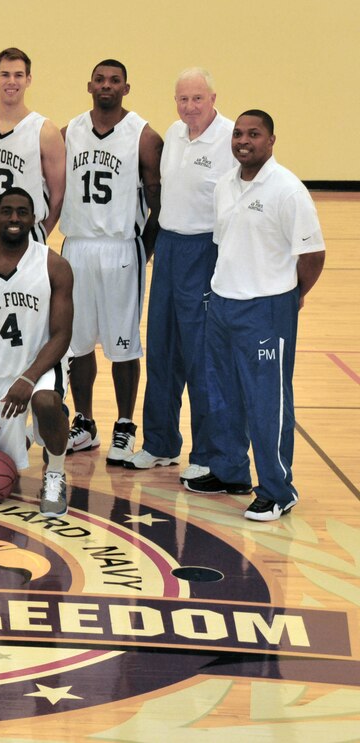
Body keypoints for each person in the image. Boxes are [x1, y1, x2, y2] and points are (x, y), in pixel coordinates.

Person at [187, 110, 325, 522]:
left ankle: (278, 490)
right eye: (238, 134)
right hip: (224, 303)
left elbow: (313, 255)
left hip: (266, 309)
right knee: (223, 395)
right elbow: (225, 244)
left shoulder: (288, 190)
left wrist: (290, 297)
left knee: (267, 403)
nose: (243, 140)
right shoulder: (226, 185)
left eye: (254, 134)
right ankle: (230, 472)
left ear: (271, 140)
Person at [126, 69, 235, 482]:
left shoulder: (228, 139)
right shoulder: (173, 134)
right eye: (182, 99)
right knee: (162, 349)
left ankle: (208, 452)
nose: (189, 107)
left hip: (204, 251)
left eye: (197, 99)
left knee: (201, 357)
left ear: (212, 97)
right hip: (169, 248)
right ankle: (160, 442)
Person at [59, 59, 163, 466]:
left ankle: (125, 424)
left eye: (114, 80)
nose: (107, 85)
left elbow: (160, 205)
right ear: (89, 86)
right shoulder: (70, 132)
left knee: (124, 343)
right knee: (77, 341)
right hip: (78, 246)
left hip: (121, 247)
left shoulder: (144, 136)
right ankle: (84, 422)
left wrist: (144, 249)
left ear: (126, 87)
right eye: (100, 79)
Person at [0, 188, 74, 516]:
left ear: (33, 219)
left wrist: (28, 378)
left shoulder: (54, 265)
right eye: (7, 211)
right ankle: (21, 437)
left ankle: (55, 473)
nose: (14, 219)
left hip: (40, 366)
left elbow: (62, 335)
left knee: (46, 401)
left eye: (22, 212)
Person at [0, 47, 65, 249]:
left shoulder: (45, 131)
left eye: (18, 75)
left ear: (28, 79)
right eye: (5, 74)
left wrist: (38, 233)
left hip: (24, 236)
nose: (11, 81)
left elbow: (58, 195)